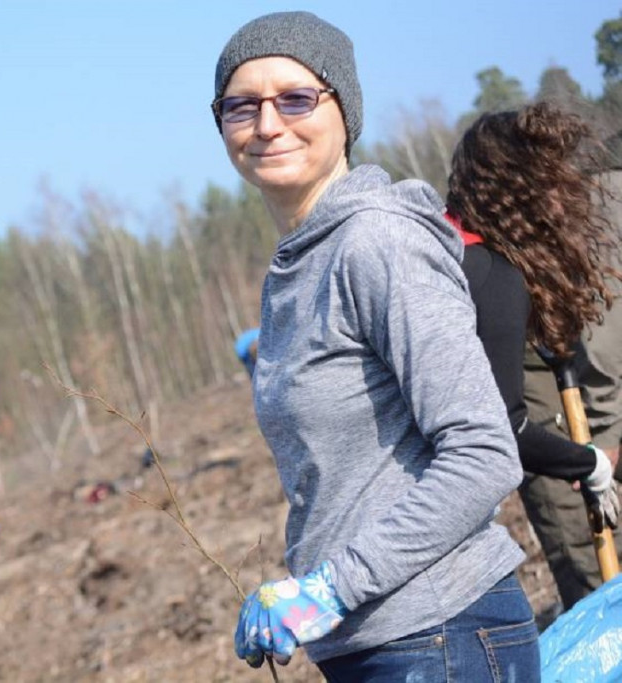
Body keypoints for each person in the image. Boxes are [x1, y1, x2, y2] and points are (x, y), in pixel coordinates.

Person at [213, 12, 539, 680]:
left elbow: (483, 453)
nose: (267, 124)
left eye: (296, 98)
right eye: (241, 106)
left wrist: (331, 586)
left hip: (441, 631)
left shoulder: (377, 241)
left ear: (344, 110)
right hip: (377, 641)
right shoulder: (299, 263)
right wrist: (309, 589)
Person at [444, 103, 621, 556]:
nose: (563, 198)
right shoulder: (489, 274)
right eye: (550, 182)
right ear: (515, 190)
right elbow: (505, 425)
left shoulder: (445, 243)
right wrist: (591, 464)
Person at [496, 136, 622, 611]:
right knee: (581, 530)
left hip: (588, 341)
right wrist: (603, 447)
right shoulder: (606, 211)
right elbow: (605, 340)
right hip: (538, 354)